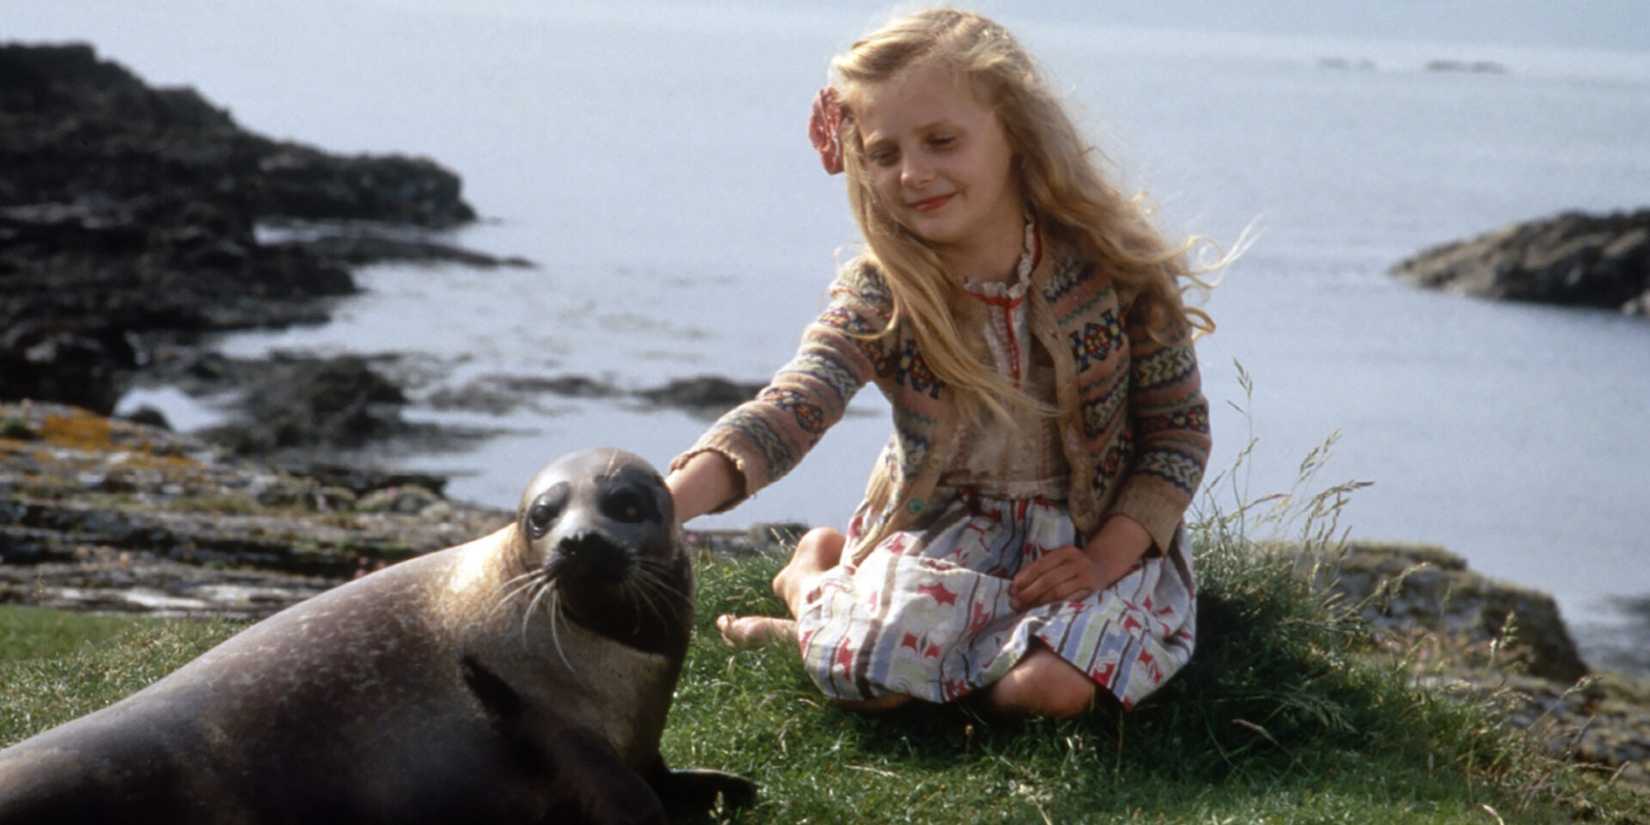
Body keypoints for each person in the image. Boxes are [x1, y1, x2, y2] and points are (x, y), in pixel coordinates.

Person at [667, 8, 1223, 720]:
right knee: (881, 680)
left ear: (1014, 134)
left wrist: (1106, 558)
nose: (913, 173)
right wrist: (664, 504)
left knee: (1044, 693)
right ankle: (816, 584)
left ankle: (820, 592)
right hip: (939, 535)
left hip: (1091, 541)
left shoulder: (1118, 271)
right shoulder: (884, 291)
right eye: (885, 152)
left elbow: (1177, 436)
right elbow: (793, 405)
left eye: (941, 141)